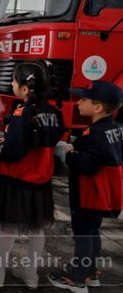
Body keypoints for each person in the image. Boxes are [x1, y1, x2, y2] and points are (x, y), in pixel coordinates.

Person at [0, 62, 65, 289]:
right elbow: (52, 136)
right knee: (37, 228)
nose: (11, 84)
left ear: (24, 89)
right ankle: (31, 275)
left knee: (8, 227)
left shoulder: (23, 113)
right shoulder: (53, 112)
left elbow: (14, 150)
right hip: (41, 179)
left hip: (16, 179)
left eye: (13, 81)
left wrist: (0, 148)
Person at [48, 81, 123, 293]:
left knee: (82, 234)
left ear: (98, 107)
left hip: (89, 194)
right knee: (92, 232)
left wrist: (70, 152)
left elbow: (85, 165)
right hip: (103, 194)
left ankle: (77, 279)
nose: (78, 102)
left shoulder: (95, 135)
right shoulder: (115, 128)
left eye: (83, 99)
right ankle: (90, 273)